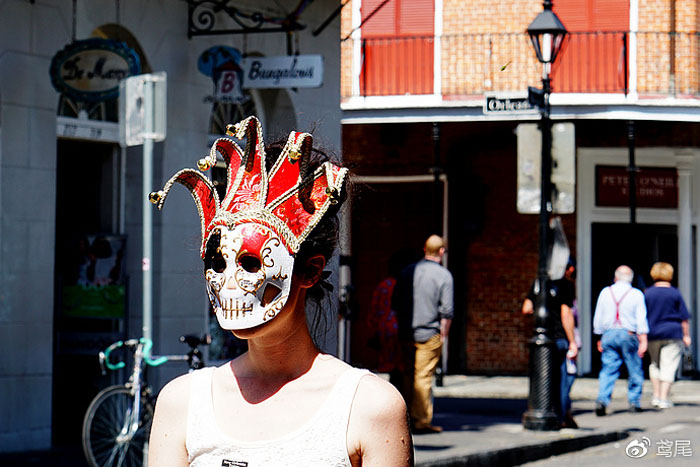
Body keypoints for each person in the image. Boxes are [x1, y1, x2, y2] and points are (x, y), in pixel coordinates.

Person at [147, 116, 413, 466]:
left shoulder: (369, 408)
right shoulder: (182, 404)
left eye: (250, 263)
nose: (229, 282)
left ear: (311, 271)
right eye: (218, 263)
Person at [395, 235, 453, 434]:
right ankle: (420, 421)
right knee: (423, 377)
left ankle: (402, 419)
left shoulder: (407, 271)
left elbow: (396, 302)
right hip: (429, 334)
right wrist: (444, 334)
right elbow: (447, 311)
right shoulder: (444, 276)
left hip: (406, 332)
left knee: (407, 376)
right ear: (442, 251)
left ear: (424, 249)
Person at [522, 259, 579, 428]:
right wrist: (572, 341)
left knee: (543, 378)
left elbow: (526, 308)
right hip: (559, 338)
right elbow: (566, 313)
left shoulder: (539, 283)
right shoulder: (566, 285)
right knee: (563, 380)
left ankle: (548, 411)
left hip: (541, 338)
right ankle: (561, 416)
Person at [592, 265, 649, 415]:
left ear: (616, 277)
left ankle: (602, 399)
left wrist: (599, 336)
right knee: (634, 368)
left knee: (608, 369)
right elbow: (641, 318)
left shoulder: (606, 292)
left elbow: (598, 316)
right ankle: (634, 401)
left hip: (609, 333)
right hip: (628, 333)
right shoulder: (636, 294)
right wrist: (643, 339)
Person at [644, 262, 692, 409]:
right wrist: (686, 335)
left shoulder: (647, 293)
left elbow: (642, 315)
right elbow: (684, 318)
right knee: (669, 365)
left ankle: (656, 396)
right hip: (672, 333)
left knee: (654, 364)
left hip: (652, 333)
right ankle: (664, 398)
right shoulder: (675, 293)